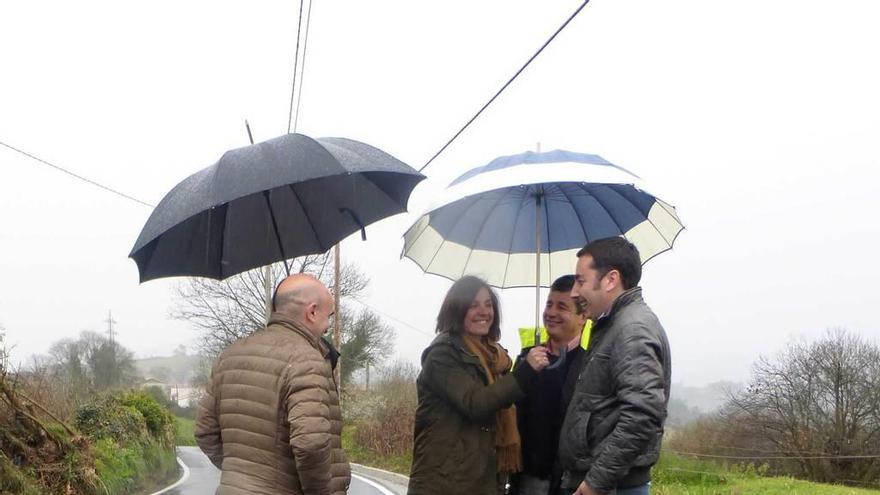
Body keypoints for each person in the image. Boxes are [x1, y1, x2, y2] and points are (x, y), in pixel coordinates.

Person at [195, 274, 350, 495]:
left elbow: (205, 431)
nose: (327, 326)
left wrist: (244, 474)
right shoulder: (307, 361)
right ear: (312, 312)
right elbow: (311, 444)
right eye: (329, 316)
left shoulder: (229, 356)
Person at [408, 275, 550, 495]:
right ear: (457, 310)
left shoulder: (495, 357)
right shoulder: (442, 355)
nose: (484, 312)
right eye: (473, 305)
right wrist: (525, 373)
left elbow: (506, 401)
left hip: (482, 479)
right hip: (445, 483)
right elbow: (476, 403)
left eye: (488, 304)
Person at [557, 237, 671, 495]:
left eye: (581, 280)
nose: (574, 292)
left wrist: (596, 482)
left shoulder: (632, 330)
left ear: (610, 280)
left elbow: (643, 415)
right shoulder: (611, 325)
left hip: (613, 487)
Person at [512, 275, 589, 495]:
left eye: (562, 307)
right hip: (528, 477)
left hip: (570, 481)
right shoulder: (528, 357)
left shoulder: (589, 363)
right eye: (549, 304)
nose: (551, 313)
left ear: (582, 316)